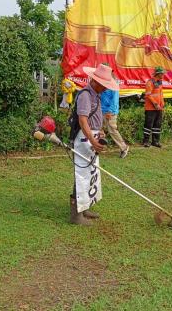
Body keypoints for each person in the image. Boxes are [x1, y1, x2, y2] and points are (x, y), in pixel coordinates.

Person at [70, 63, 119, 226]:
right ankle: (76, 215)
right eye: (104, 85)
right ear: (96, 82)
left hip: (90, 137)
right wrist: (92, 139)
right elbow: (83, 120)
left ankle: (84, 208)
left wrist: (99, 132)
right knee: (82, 175)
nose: (105, 89)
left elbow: (91, 120)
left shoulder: (95, 94)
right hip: (84, 140)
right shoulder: (85, 95)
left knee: (89, 174)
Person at [100, 70, 130, 159]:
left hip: (110, 112)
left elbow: (115, 100)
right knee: (98, 128)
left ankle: (124, 148)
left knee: (112, 130)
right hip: (101, 110)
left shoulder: (114, 84)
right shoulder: (104, 83)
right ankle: (100, 146)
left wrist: (109, 111)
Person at [143, 67, 165, 148]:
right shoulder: (150, 82)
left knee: (157, 125)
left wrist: (162, 104)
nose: (163, 75)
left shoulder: (160, 82)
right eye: (162, 73)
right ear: (158, 74)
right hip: (150, 108)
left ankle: (155, 142)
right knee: (148, 124)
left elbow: (161, 94)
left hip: (159, 108)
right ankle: (145, 141)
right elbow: (148, 95)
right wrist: (156, 104)